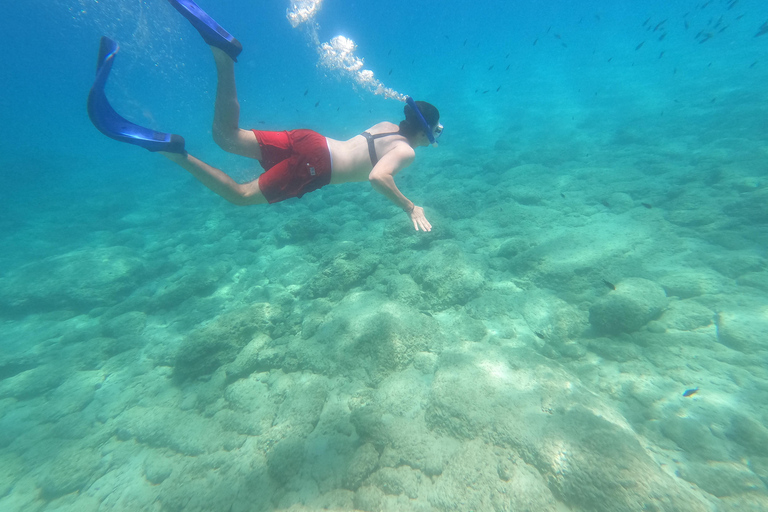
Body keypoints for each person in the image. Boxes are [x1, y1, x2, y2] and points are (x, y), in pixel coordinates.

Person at [87, 0, 442, 232]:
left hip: (312, 140)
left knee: (225, 136)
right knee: (240, 196)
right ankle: (172, 152)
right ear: (423, 133)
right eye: (432, 134)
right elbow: (379, 176)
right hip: (317, 165)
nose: (431, 140)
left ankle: (223, 55)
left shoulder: (386, 125)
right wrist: (410, 207)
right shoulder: (407, 151)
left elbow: (370, 155)